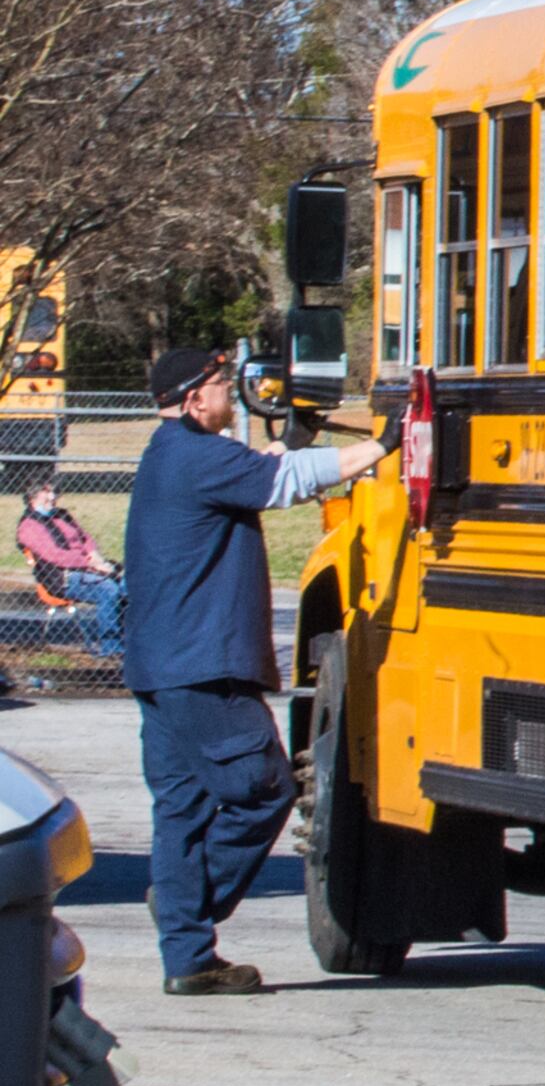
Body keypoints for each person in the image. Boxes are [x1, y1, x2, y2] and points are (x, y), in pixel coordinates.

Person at [122, 348, 391, 997]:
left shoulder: (170, 454)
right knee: (264, 787)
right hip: (204, 668)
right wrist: (384, 445)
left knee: (181, 811)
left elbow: (262, 469)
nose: (232, 394)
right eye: (222, 384)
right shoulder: (198, 457)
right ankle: (188, 907)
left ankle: (188, 959)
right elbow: (288, 480)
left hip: (163, 668)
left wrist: (284, 449)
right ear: (193, 399)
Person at [19, 484, 123, 655]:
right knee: (108, 589)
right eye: (47, 493)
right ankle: (112, 649)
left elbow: (85, 538)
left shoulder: (62, 515)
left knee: (127, 585)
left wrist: (94, 554)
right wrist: (91, 564)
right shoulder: (28, 526)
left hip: (89, 568)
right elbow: (55, 556)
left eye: (54, 492)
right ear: (32, 498)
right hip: (62, 578)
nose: (53, 497)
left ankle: (132, 640)